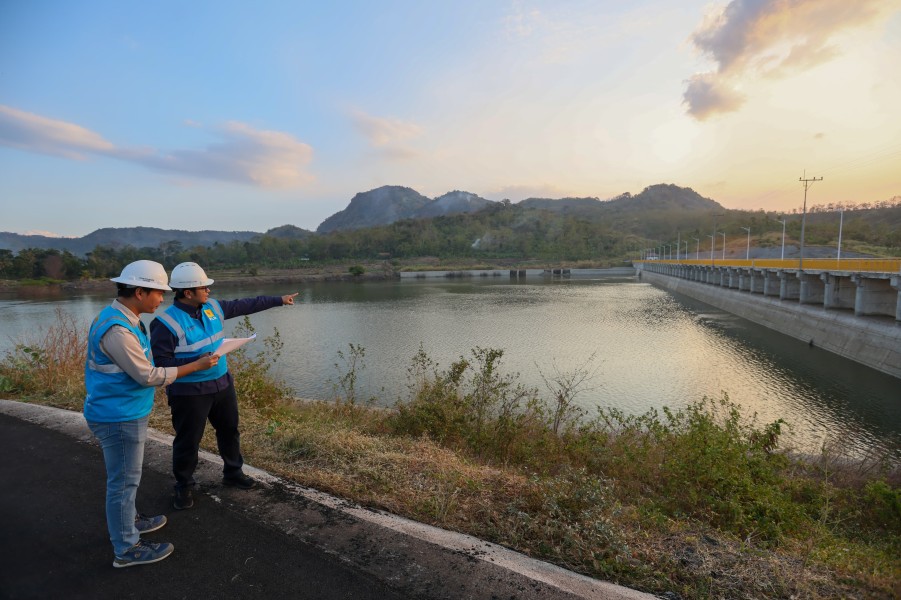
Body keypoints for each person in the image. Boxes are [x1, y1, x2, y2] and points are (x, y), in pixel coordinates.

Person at [84, 260, 219, 568]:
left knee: (126, 478)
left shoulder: (124, 318)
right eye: (158, 292)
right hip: (117, 415)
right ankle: (126, 549)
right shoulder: (118, 330)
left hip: (125, 410)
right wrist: (194, 367)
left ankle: (129, 522)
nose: (162, 298)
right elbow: (148, 376)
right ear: (140, 292)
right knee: (124, 483)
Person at [149, 262, 297, 510]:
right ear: (188, 293)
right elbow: (161, 363)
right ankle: (183, 486)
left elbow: (246, 304)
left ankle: (233, 472)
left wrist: (279, 300)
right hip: (189, 393)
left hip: (222, 385)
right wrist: (197, 363)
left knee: (229, 430)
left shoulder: (212, 308)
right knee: (188, 441)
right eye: (204, 287)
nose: (208, 290)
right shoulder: (165, 324)